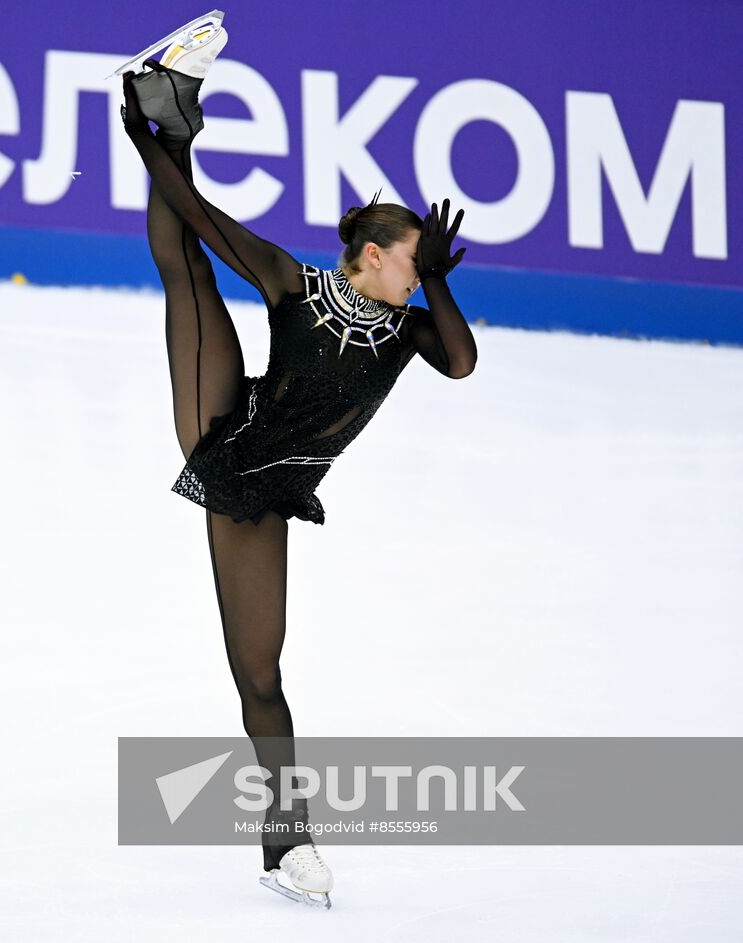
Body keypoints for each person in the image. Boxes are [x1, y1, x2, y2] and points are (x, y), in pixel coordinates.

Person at [117, 15, 477, 910]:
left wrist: (438, 280)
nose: (414, 269)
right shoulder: (297, 283)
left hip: (274, 491)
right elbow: (202, 220)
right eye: (408, 259)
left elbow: (463, 361)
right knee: (191, 274)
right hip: (226, 435)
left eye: (419, 263)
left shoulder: (409, 329)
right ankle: (168, 109)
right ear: (367, 255)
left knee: (261, 675)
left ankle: (284, 847)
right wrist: (146, 143)